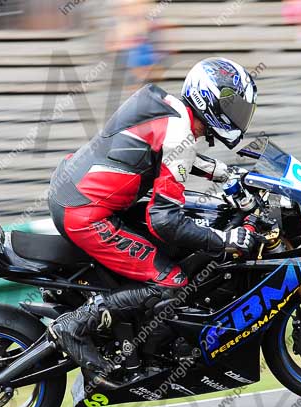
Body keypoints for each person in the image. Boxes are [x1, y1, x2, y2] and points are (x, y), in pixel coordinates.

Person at [47, 57, 259, 388]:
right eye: (234, 105)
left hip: (74, 192)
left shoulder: (167, 106)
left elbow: (167, 155)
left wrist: (226, 174)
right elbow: (164, 220)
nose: (239, 115)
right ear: (210, 99)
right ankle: (72, 325)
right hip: (86, 213)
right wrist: (224, 240)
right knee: (171, 281)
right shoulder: (180, 132)